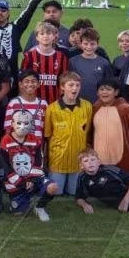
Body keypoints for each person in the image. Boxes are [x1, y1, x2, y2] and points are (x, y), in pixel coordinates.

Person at [0, 109, 60, 221]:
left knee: (52, 187)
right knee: (17, 213)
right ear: (12, 123)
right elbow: (6, 167)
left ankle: (39, 207)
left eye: (26, 123)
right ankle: (24, 198)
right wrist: (22, 182)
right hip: (16, 182)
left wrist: (31, 180)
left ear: (31, 124)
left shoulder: (35, 140)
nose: (22, 126)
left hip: (33, 179)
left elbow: (39, 163)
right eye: (18, 122)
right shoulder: (6, 140)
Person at [44, 72, 92, 207]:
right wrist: (46, 159)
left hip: (78, 160)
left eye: (77, 85)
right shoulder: (52, 109)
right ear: (62, 87)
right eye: (71, 85)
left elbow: (87, 131)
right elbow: (48, 135)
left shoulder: (87, 106)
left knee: (73, 192)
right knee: (56, 192)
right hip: (58, 159)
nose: (74, 88)